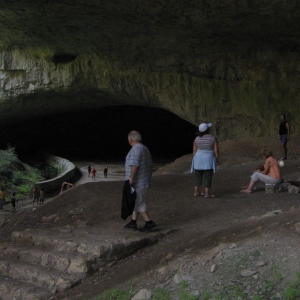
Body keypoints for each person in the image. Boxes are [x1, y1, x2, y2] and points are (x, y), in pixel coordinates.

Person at [123, 130, 156, 232]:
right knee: (137, 201)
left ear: (130, 139)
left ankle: (149, 223)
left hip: (138, 182)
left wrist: (131, 179)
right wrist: (148, 177)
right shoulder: (144, 148)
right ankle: (133, 222)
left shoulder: (135, 150)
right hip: (144, 180)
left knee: (139, 202)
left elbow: (135, 165)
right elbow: (150, 165)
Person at [191, 123, 219, 198]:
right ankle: (207, 194)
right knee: (207, 176)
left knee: (197, 176)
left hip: (198, 158)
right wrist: (217, 159)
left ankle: (196, 192)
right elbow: (216, 150)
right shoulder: (213, 138)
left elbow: (194, 151)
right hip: (208, 158)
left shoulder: (196, 138)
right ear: (208, 130)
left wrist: (194, 159)